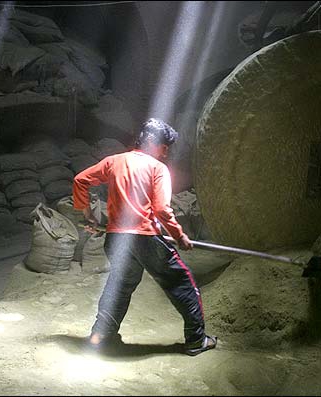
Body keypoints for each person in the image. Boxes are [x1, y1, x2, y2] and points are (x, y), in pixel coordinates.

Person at [72, 118, 217, 356]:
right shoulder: (157, 169)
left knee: (119, 287)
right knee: (183, 284)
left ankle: (100, 335)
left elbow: (80, 180)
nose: (165, 152)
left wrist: (89, 216)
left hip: (116, 239)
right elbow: (161, 209)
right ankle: (196, 340)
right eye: (164, 146)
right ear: (151, 141)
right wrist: (180, 236)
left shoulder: (114, 161)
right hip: (145, 238)